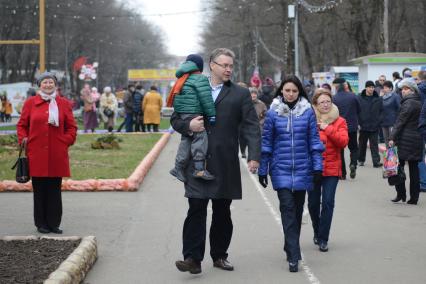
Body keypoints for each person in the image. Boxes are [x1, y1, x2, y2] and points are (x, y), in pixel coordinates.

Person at [172, 48, 260, 274]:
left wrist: (254, 156)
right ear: (212, 65)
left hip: (224, 162)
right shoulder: (191, 86)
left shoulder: (240, 94)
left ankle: (220, 255)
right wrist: (188, 126)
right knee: (196, 208)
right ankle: (192, 258)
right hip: (197, 161)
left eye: (231, 65)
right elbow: (176, 118)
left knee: (222, 211)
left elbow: (251, 125)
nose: (229, 69)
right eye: (224, 65)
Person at [258, 75, 324, 272]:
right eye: (287, 90)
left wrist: (318, 167)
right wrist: (263, 168)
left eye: (294, 91)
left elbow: (314, 141)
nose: (290, 94)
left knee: (296, 210)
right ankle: (294, 255)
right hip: (281, 169)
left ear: (299, 92)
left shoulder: (308, 113)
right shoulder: (272, 113)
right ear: (281, 91)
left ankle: (290, 244)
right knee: (287, 209)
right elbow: (267, 143)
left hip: (303, 168)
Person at [16, 72, 77, 234]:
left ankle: (54, 223)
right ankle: (41, 223)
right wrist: (24, 139)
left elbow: (72, 127)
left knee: (54, 190)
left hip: (57, 153)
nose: (48, 85)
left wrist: (66, 141)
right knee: (40, 190)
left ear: (56, 85)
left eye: (51, 82)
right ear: (39, 85)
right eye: (45, 82)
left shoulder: (63, 103)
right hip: (36, 153)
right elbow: (21, 125)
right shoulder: (30, 103)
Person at [308, 88, 348, 252]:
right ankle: (317, 231)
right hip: (313, 168)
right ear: (315, 104)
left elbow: (343, 142)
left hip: (332, 168)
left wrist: (327, 128)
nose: (325, 105)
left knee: (328, 203)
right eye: (322, 102)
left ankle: (324, 238)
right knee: (312, 204)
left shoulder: (340, 121)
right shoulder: (309, 119)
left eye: (328, 101)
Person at [168, 54, 216, 182]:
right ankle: (199, 168)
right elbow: (206, 99)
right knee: (200, 136)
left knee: (187, 139)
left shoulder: (182, 79)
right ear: (199, 67)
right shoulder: (200, 79)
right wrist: (211, 114)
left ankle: (178, 167)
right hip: (194, 111)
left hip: (182, 113)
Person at [389, 79, 423, 205]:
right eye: (402, 89)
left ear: (412, 90)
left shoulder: (409, 103)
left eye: (406, 89)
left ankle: (401, 194)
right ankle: (414, 198)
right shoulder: (419, 101)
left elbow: (400, 122)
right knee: (414, 169)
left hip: (404, 139)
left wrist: (391, 137)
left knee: (398, 167)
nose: (403, 91)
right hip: (416, 139)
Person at [332, 77, 360, 179]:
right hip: (352, 127)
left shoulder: (334, 98)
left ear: (337, 87)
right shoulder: (353, 96)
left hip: (339, 127)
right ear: (344, 86)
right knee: (353, 148)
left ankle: (342, 174)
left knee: (340, 151)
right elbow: (359, 109)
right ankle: (353, 164)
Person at [357, 80, 383, 168]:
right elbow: (357, 111)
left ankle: (376, 162)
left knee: (374, 145)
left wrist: (379, 121)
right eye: (370, 87)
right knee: (362, 144)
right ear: (366, 87)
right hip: (363, 125)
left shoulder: (378, 98)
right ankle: (361, 160)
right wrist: (358, 122)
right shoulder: (359, 98)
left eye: (373, 87)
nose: (371, 89)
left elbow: (381, 111)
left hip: (374, 125)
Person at [240, 87, 267, 158]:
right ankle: (243, 150)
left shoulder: (261, 104)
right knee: (243, 140)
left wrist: (261, 122)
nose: (253, 95)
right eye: (251, 93)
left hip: (257, 127)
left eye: (255, 93)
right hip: (245, 126)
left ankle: (252, 158)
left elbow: (265, 115)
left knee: (253, 143)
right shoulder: (244, 103)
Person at [381, 81, 400, 145]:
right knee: (386, 140)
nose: (384, 89)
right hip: (384, 122)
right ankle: (388, 154)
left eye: (386, 88)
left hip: (392, 122)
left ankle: (393, 155)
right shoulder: (382, 97)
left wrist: (397, 120)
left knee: (392, 140)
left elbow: (400, 108)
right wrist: (379, 97)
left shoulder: (395, 96)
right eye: (383, 88)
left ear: (391, 88)